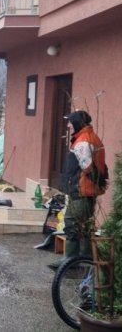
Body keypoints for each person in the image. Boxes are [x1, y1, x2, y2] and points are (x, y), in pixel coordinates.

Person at [49, 110, 108, 270]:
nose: (68, 125)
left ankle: (71, 259)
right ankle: (84, 258)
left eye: (70, 122)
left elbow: (88, 166)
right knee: (84, 225)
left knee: (72, 223)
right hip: (87, 190)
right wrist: (101, 181)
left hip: (82, 189)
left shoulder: (82, 141)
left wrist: (99, 180)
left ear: (77, 123)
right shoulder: (91, 137)